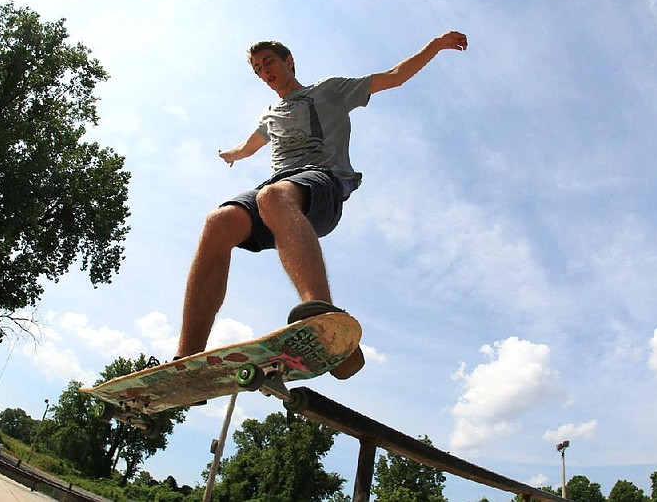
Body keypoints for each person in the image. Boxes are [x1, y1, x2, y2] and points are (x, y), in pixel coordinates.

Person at [175, 31, 468, 378]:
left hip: (322, 182)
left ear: (289, 61)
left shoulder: (329, 89)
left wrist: (435, 45)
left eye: (268, 62)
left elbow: (395, 76)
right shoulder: (269, 116)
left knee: (274, 196)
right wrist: (232, 154)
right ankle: (186, 360)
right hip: (279, 192)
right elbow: (250, 145)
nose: (264, 71)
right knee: (219, 222)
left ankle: (325, 320)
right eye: (257, 69)